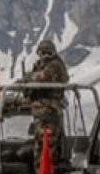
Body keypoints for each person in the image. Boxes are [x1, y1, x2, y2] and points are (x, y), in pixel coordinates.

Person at [19, 39, 70, 167]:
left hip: (50, 111)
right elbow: (31, 78)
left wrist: (27, 79)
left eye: (48, 53)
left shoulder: (56, 66)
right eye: (43, 53)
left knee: (48, 149)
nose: (46, 56)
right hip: (41, 112)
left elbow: (40, 77)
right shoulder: (40, 64)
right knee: (40, 149)